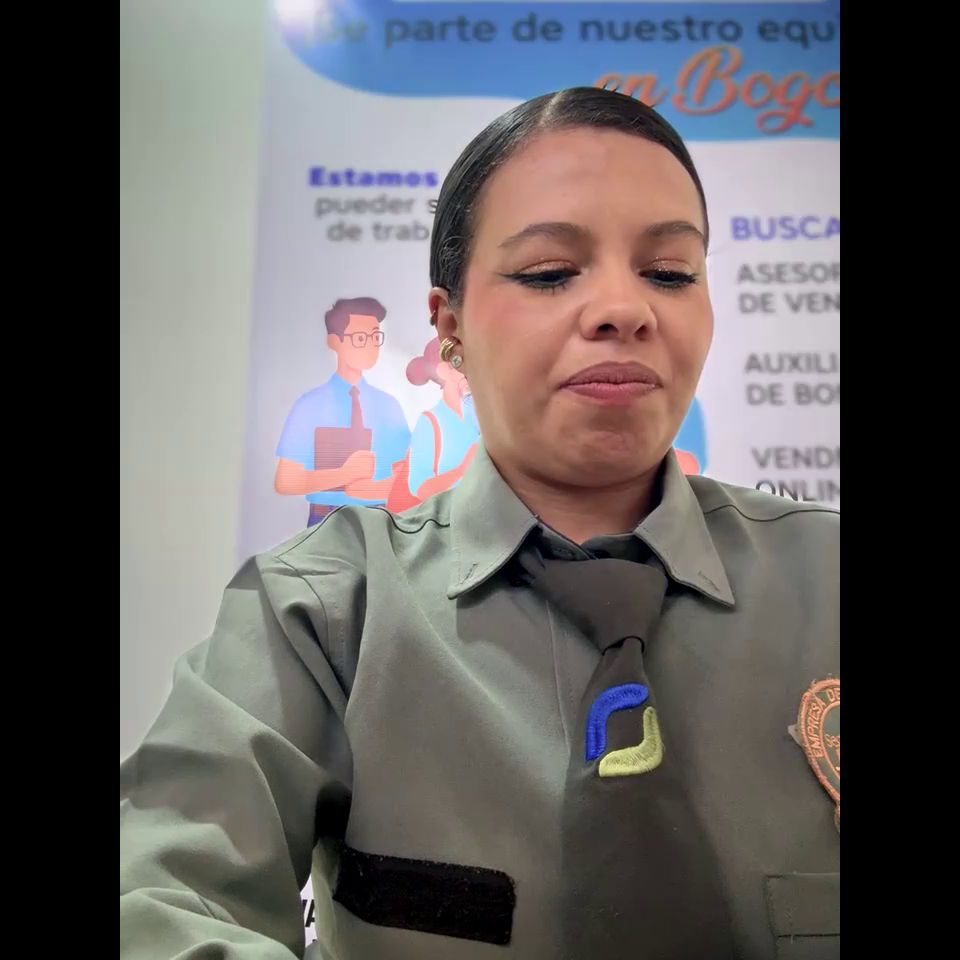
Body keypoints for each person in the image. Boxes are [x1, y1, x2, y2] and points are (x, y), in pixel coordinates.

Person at [121, 88, 839, 960]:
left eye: (669, 271)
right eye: (549, 272)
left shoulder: (827, 582)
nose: (625, 308)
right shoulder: (324, 611)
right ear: (450, 325)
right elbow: (161, 895)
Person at [273, 297, 411, 526]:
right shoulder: (309, 406)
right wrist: (344, 474)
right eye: (360, 338)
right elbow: (286, 481)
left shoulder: (388, 406)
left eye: (375, 337)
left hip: (379, 521)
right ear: (334, 342)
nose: (370, 346)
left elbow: (406, 476)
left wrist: (372, 489)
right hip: (324, 523)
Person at [403, 336, 480, 501]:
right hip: (452, 512)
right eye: (458, 362)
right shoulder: (430, 422)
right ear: (442, 370)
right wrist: (461, 470)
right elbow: (420, 488)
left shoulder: (483, 412)